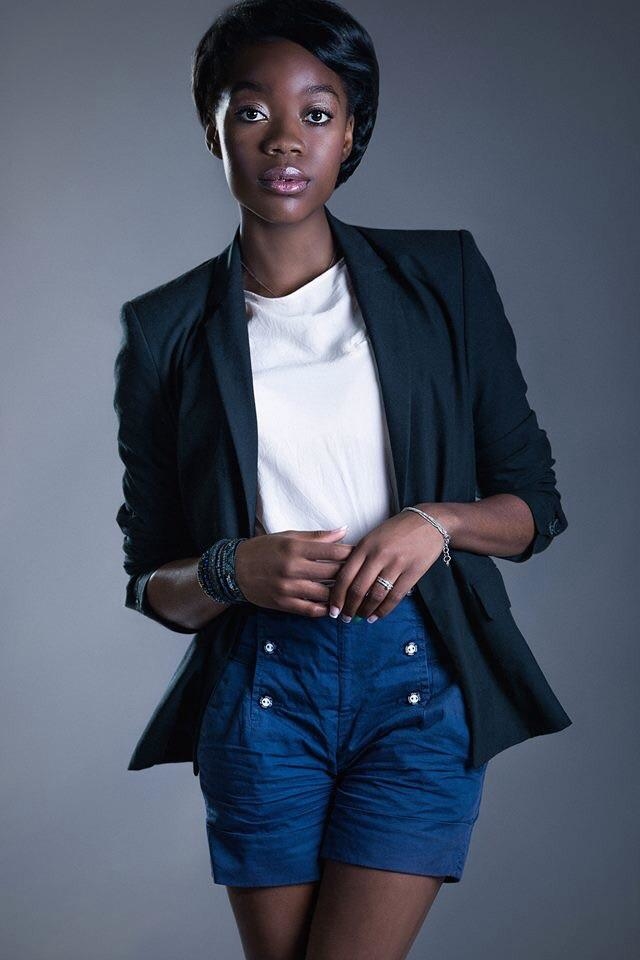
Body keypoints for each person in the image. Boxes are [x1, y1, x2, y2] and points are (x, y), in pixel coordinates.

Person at [113, 1, 571, 957]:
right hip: (261, 695)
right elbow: (152, 580)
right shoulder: (164, 331)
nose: (285, 140)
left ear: (351, 131)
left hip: (418, 683)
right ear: (212, 129)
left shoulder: (443, 279)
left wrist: (435, 522)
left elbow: (533, 508)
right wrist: (235, 570)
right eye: (252, 112)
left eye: (316, 113)